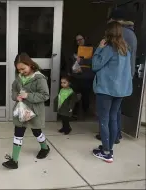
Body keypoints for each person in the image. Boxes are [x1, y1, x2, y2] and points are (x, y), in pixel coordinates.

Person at [92, 21, 132, 163]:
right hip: (120, 90)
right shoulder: (125, 48)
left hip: (107, 89)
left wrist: (98, 49)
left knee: (104, 119)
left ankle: (107, 153)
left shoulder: (109, 48)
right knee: (113, 118)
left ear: (108, 33)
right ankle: (108, 148)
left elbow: (95, 66)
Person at [95, 8, 137, 143]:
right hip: (124, 82)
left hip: (110, 83)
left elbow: (97, 65)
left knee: (106, 117)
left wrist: (99, 49)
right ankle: (115, 137)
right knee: (114, 114)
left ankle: (107, 145)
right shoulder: (131, 36)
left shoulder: (114, 42)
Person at [2, 53, 50, 169]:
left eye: (23, 68)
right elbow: (14, 89)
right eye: (19, 69)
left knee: (36, 131)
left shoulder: (39, 78)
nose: (21, 71)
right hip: (21, 109)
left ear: (30, 65)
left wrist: (28, 95)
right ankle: (14, 161)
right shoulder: (19, 77)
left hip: (34, 111)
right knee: (18, 133)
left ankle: (45, 148)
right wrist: (15, 97)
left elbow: (45, 95)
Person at [69, 34, 95, 119]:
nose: (79, 41)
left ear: (85, 39)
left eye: (80, 39)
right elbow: (71, 63)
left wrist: (82, 61)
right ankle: (74, 114)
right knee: (75, 96)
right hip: (76, 77)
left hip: (87, 77)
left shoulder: (91, 49)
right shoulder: (74, 51)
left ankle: (85, 113)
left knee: (86, 96)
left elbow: (94, 62)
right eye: (77, 40)